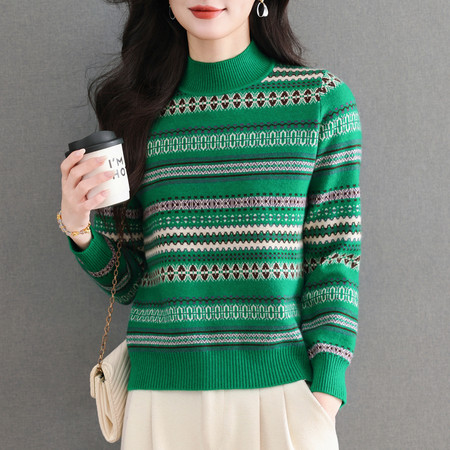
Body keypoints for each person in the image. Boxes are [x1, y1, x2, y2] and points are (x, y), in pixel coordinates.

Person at [59, 1, 362, 448]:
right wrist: (79, 227)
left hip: (283, 397)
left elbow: (335, 258)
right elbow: (128, 282)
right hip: (162, 404)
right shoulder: (135, 112)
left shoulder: (320, 103)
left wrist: (326, 394)